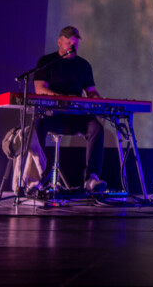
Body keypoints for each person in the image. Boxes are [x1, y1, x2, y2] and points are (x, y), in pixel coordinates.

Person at [33, 26, 107, 193]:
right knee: (38, 126)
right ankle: (36, 179)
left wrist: (99, 100)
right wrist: (61, 98)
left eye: (75, 44)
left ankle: (92, 179)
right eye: (68, 43)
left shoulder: (83, 65)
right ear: (60, 42)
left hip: (75, 117)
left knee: (96, 128)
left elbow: (91, 91)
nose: (72, 47)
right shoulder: (46, 62)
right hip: (52, 116)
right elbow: (40, 88)